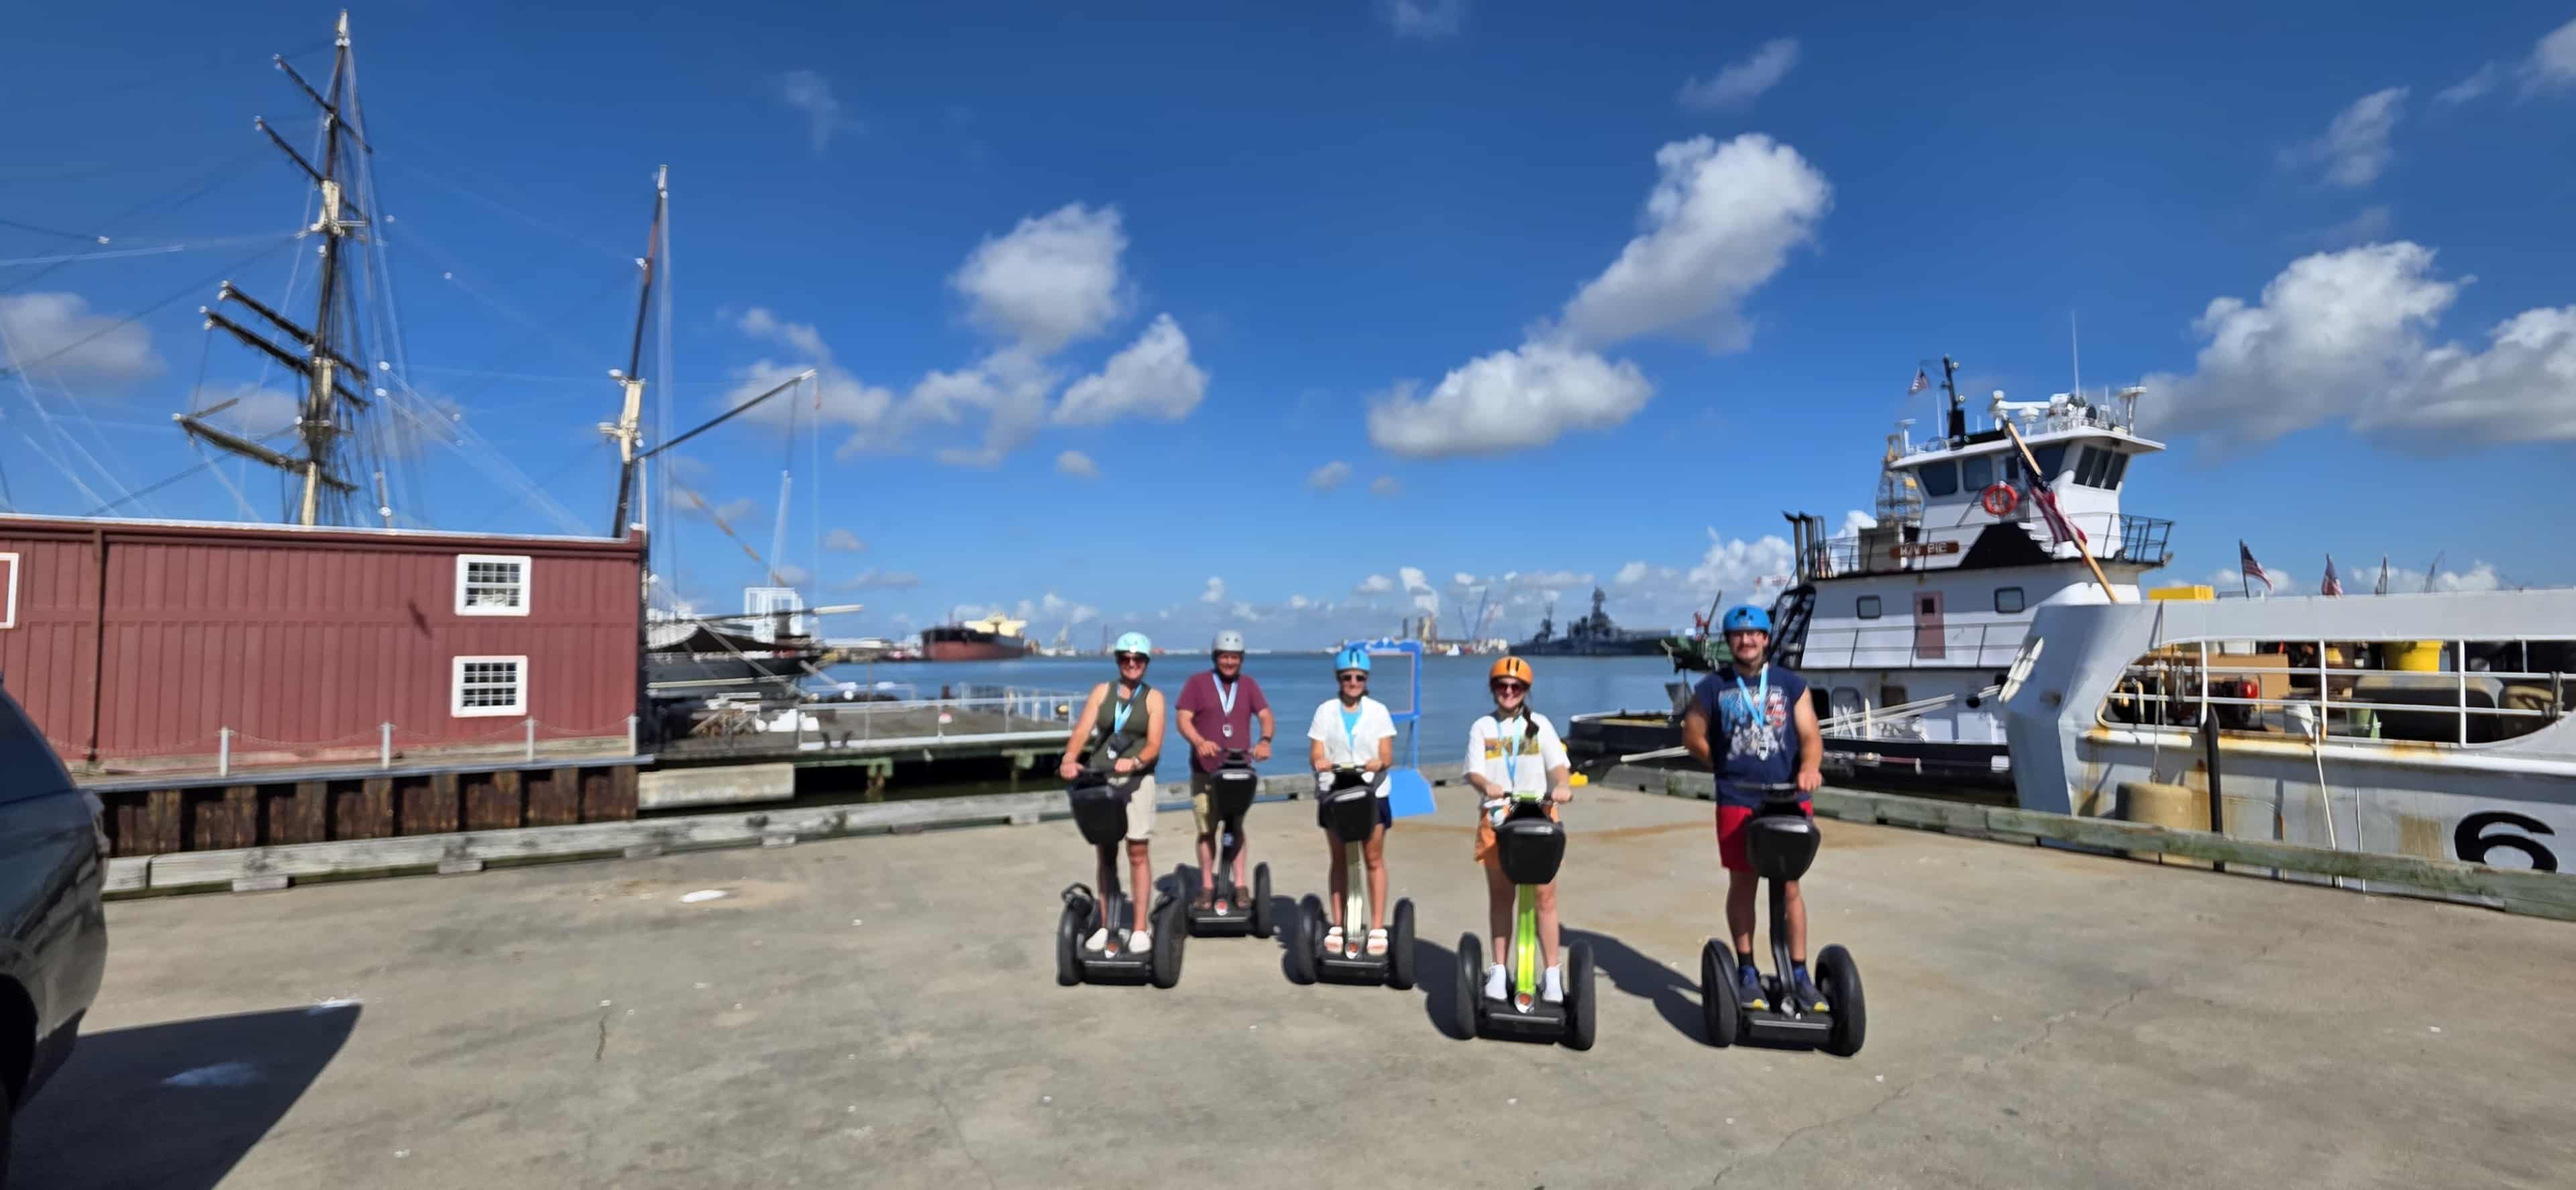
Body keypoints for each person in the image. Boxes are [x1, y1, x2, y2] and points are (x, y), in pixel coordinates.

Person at [1680, 605, 1825, 1014]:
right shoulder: (1712, 687)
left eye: (1754, 635)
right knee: (1743, 883)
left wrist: (1810, 768)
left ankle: (1798, 973)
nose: (1747, 642)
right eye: (1738, 636)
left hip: (1788, 797)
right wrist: (1721, 763)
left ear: (1766, 639)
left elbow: (1810, 735)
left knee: (1790, 886)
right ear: (1729, 643)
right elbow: (1692, 733)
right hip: (1737, 798)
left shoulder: (1789, 684)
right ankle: (1746, 971)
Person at [1463, 656, 1575, 1003]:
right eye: (1502, 685)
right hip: (1497, 820)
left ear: (1526, 691)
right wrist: (1486, 786)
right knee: (1502, 896)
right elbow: (1473, 772)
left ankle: (1552, 974)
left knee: (1545, 898)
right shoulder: (1483, 727)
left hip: (1539, 817)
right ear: (1493, 688)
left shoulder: (1539, 725)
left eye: (1516, 687)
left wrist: (1562, 786)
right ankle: (1499, 970)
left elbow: (1558, 767)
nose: (1508, 692)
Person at [1057, 631, 1167, 952]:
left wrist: (1135, 761)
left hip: (1136, 782)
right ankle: (1106, 925)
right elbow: (1082, 729)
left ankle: (1139, 928)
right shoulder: (1102, 692)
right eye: (1125, 659)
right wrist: (1069, 758)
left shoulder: (1154, 698)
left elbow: (1155, 744)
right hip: (1101, 778)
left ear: (1146, 663)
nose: (1131, 664)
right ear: (1118, 660)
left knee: (1137, 852)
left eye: (1138, 660)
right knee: (1105, 853)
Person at [1305, 646, 1398, 957]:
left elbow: (1387, 753)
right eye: (1347, 677)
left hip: (1371, 792)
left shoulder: (1378, 711)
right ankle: (1337, 923)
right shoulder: (1325, 711)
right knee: (1340, 858)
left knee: (1373, 859)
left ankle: (1376, 927)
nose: (1353, 682)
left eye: (1358, 677)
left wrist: (1379, 763)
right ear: (1338, 678)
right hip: (1334, 791)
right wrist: (1320, 761)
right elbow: (1316, 752)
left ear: (1366, 679)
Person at [1174, 629, 1275, 910]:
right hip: (1206, 772)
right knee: (1207, 830)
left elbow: (1266, 715)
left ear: (1241, 659)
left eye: (1234, 657)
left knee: (1237, 827)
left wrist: (1265, 741)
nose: (1229, 662)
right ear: (1215, 657)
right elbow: (1183, 719)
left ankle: (1240, 884)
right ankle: (1207, 886)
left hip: (1239, 772)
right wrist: (1198, 742)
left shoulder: (1249, 685)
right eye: (1224, 657)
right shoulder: (1197, 683)